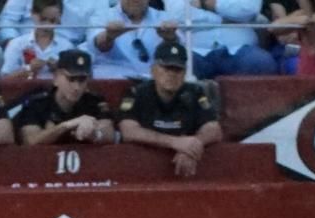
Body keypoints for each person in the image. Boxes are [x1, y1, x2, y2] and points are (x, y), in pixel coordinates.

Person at [118, 41, 220, 177]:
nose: (172, 74)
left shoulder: (194, 92)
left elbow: (214, 129)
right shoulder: (137, 93)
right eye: (166, 68)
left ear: (184, 73)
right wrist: (175, 142)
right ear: (153, 70)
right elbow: (128, 131)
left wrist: (193, 146)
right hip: (140, 167)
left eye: (177, 69)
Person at [13, 48, 113, 145]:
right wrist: (66, 126)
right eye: (71, 79)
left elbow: (109, 134)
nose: (76, 87)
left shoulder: (93, 101)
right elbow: (30, 140)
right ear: (56, 78)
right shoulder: (37, 103)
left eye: (82, 80)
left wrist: (95, 134)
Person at [175, 0, 279, 74]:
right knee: (174, 66)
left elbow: (249, 9)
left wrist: (206, 3)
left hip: (239, 49)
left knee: (263, 63)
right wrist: (221, 20)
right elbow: (179, 15)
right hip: (196, 51)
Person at [87, 0, 179, 78]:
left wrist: (170, 39)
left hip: (153, 83)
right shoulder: (102, 16)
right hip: (115, 81)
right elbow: (98, 45)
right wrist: (109, 36)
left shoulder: (164, 18)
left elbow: (178, 52)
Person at [1, 0, 68, 77]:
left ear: (59, 18)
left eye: (52, 21)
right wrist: (29, 68)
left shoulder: (66, 47)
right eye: (43, 19)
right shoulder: (17, 44)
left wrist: (58, 68)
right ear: (32, 14)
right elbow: (5, 79)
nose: (47, 25)